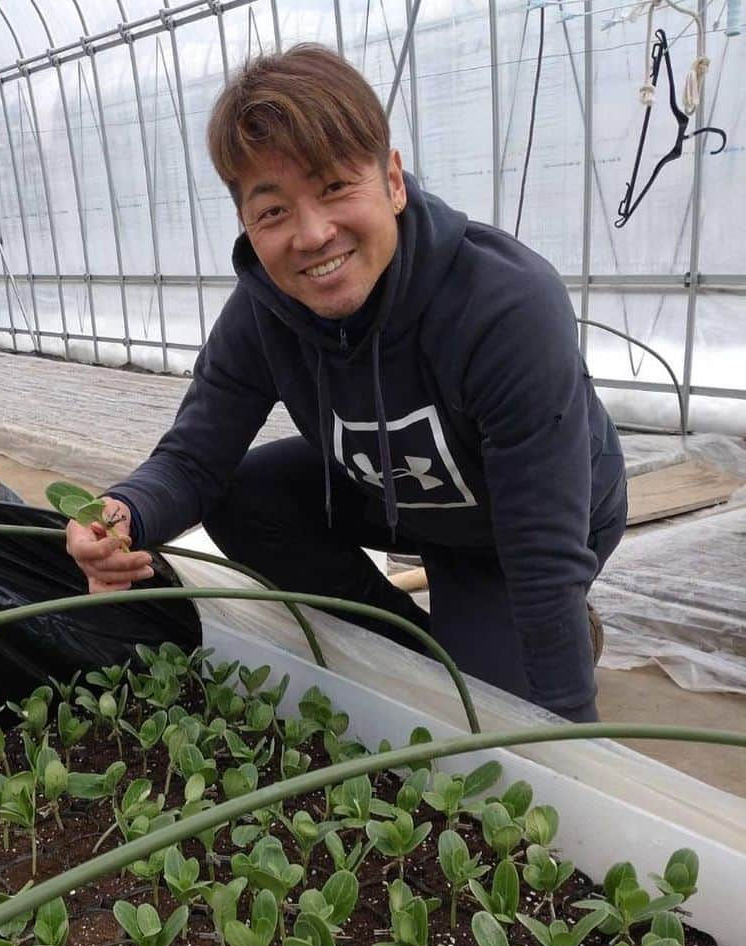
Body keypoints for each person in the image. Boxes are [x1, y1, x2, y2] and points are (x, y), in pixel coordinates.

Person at [65, 45, 627, 722]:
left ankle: (541, 633)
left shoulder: (504, 307)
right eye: (273, 211)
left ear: (392, 180)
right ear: (247, 223)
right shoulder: (263, 312)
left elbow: (542, 551)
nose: (312, 234)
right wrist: (121, 517)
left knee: (511, 712)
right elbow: (192, 460)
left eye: (334, 187)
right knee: (245, 498)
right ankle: (418, 647)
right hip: (401, 494)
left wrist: (569, 727)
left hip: (525, 525)